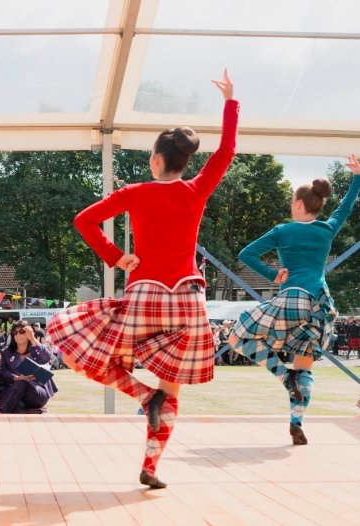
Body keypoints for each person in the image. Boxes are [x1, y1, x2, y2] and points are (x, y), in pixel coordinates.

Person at [48, 70, 237, 489]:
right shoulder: (196, 190)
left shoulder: (135, 193)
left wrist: (118, 258)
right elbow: (226, 151)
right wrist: (229, 102)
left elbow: (84, 221)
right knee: (173, 389)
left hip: (145, 296)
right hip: (187, 301)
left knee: (79, 348)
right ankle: (151, 466)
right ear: (185, 163)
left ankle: (142, 395)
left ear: (155, 160)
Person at [228, 157, 360, 446]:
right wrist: (357, 178)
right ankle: (296, 423)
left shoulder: (283, 230)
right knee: (305, 366)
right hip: (319, 307)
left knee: (238, 335)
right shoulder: (327, 229)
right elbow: (345, 208)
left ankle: (283, 378)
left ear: (299, 204)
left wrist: (272, 274)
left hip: (292, 298)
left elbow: (246, 254)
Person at [0, 321, 57, 414]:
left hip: (38, 391)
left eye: (22, 331)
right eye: (15, 332)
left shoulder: (35, 349)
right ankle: (26, 411)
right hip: (16, 392)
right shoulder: (7, 353)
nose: (18, 334)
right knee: (17, 402)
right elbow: (2, 371)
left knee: (22, 383)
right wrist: (16, 377)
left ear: (29, 333)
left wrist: (33, 339)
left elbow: (46, 358)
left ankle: (0, 411)